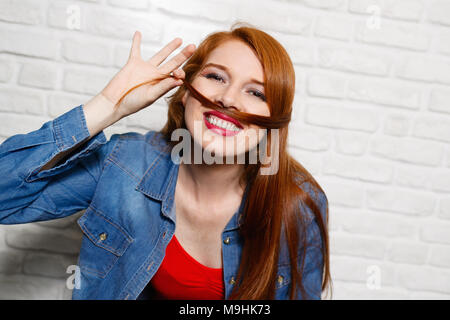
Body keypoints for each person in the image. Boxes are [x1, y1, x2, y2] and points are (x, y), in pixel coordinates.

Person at [0, 22, 331, 300]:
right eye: (216, 77)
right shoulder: (124, 165)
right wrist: (107, 105)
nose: (228, 99)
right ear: (185, 89)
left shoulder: (298, 205)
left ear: (275, 120)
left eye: (256, 93)